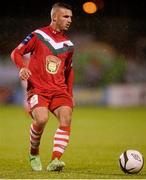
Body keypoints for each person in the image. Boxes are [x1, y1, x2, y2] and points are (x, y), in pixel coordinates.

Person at [11, 2, 74, 172]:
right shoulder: (38, 35)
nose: (69, 20)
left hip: (59, 90)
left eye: (71, 17)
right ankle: (34, 152)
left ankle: (55, 161)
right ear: (54, 17)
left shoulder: (69, 45)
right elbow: (16, 53)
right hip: (38, 88)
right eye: (65, 16)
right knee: (41, 119)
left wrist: (70, 95)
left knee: (66, 118)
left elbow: (69, 71)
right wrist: (22, 67)